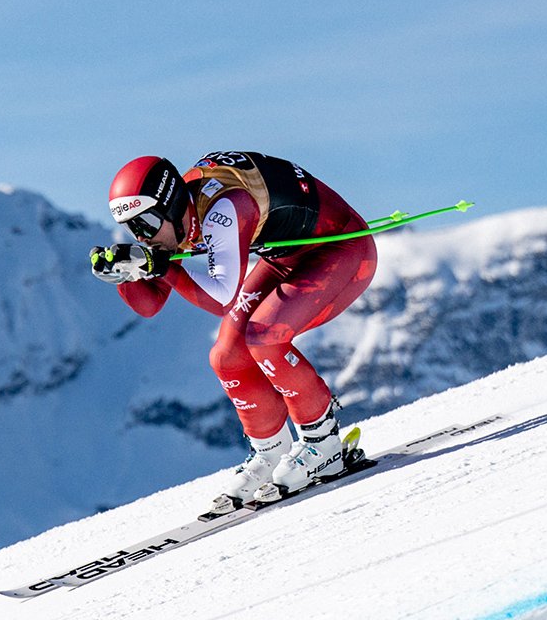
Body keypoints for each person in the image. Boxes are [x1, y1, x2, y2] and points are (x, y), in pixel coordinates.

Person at [90, 151, 377, 515]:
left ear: (171, 204)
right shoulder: (172, 224)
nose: (142, 235)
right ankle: (271, 451)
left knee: (264, 336)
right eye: (133, 228)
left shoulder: (224, 207)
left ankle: (324, 444)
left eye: (145, 223)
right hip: (287, 258)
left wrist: (156, 265)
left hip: (343, 250)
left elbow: (222, 297)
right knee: (227, 355)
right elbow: (150, 305)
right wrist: (125, 275)